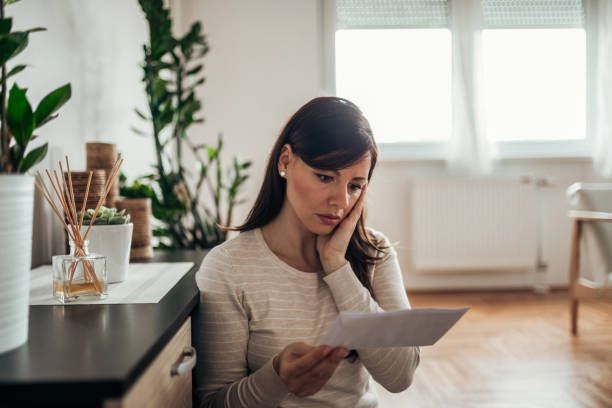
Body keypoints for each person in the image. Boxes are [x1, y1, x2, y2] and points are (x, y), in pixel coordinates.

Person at [194, 97, 420, 407]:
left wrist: (337, 269)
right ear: (285, 161)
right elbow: (212, 402)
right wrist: (276, 378)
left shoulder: (374, 253)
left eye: (355, 186)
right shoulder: (229, 267)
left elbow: (401, 375)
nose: (340, 201)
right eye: (325, 177)